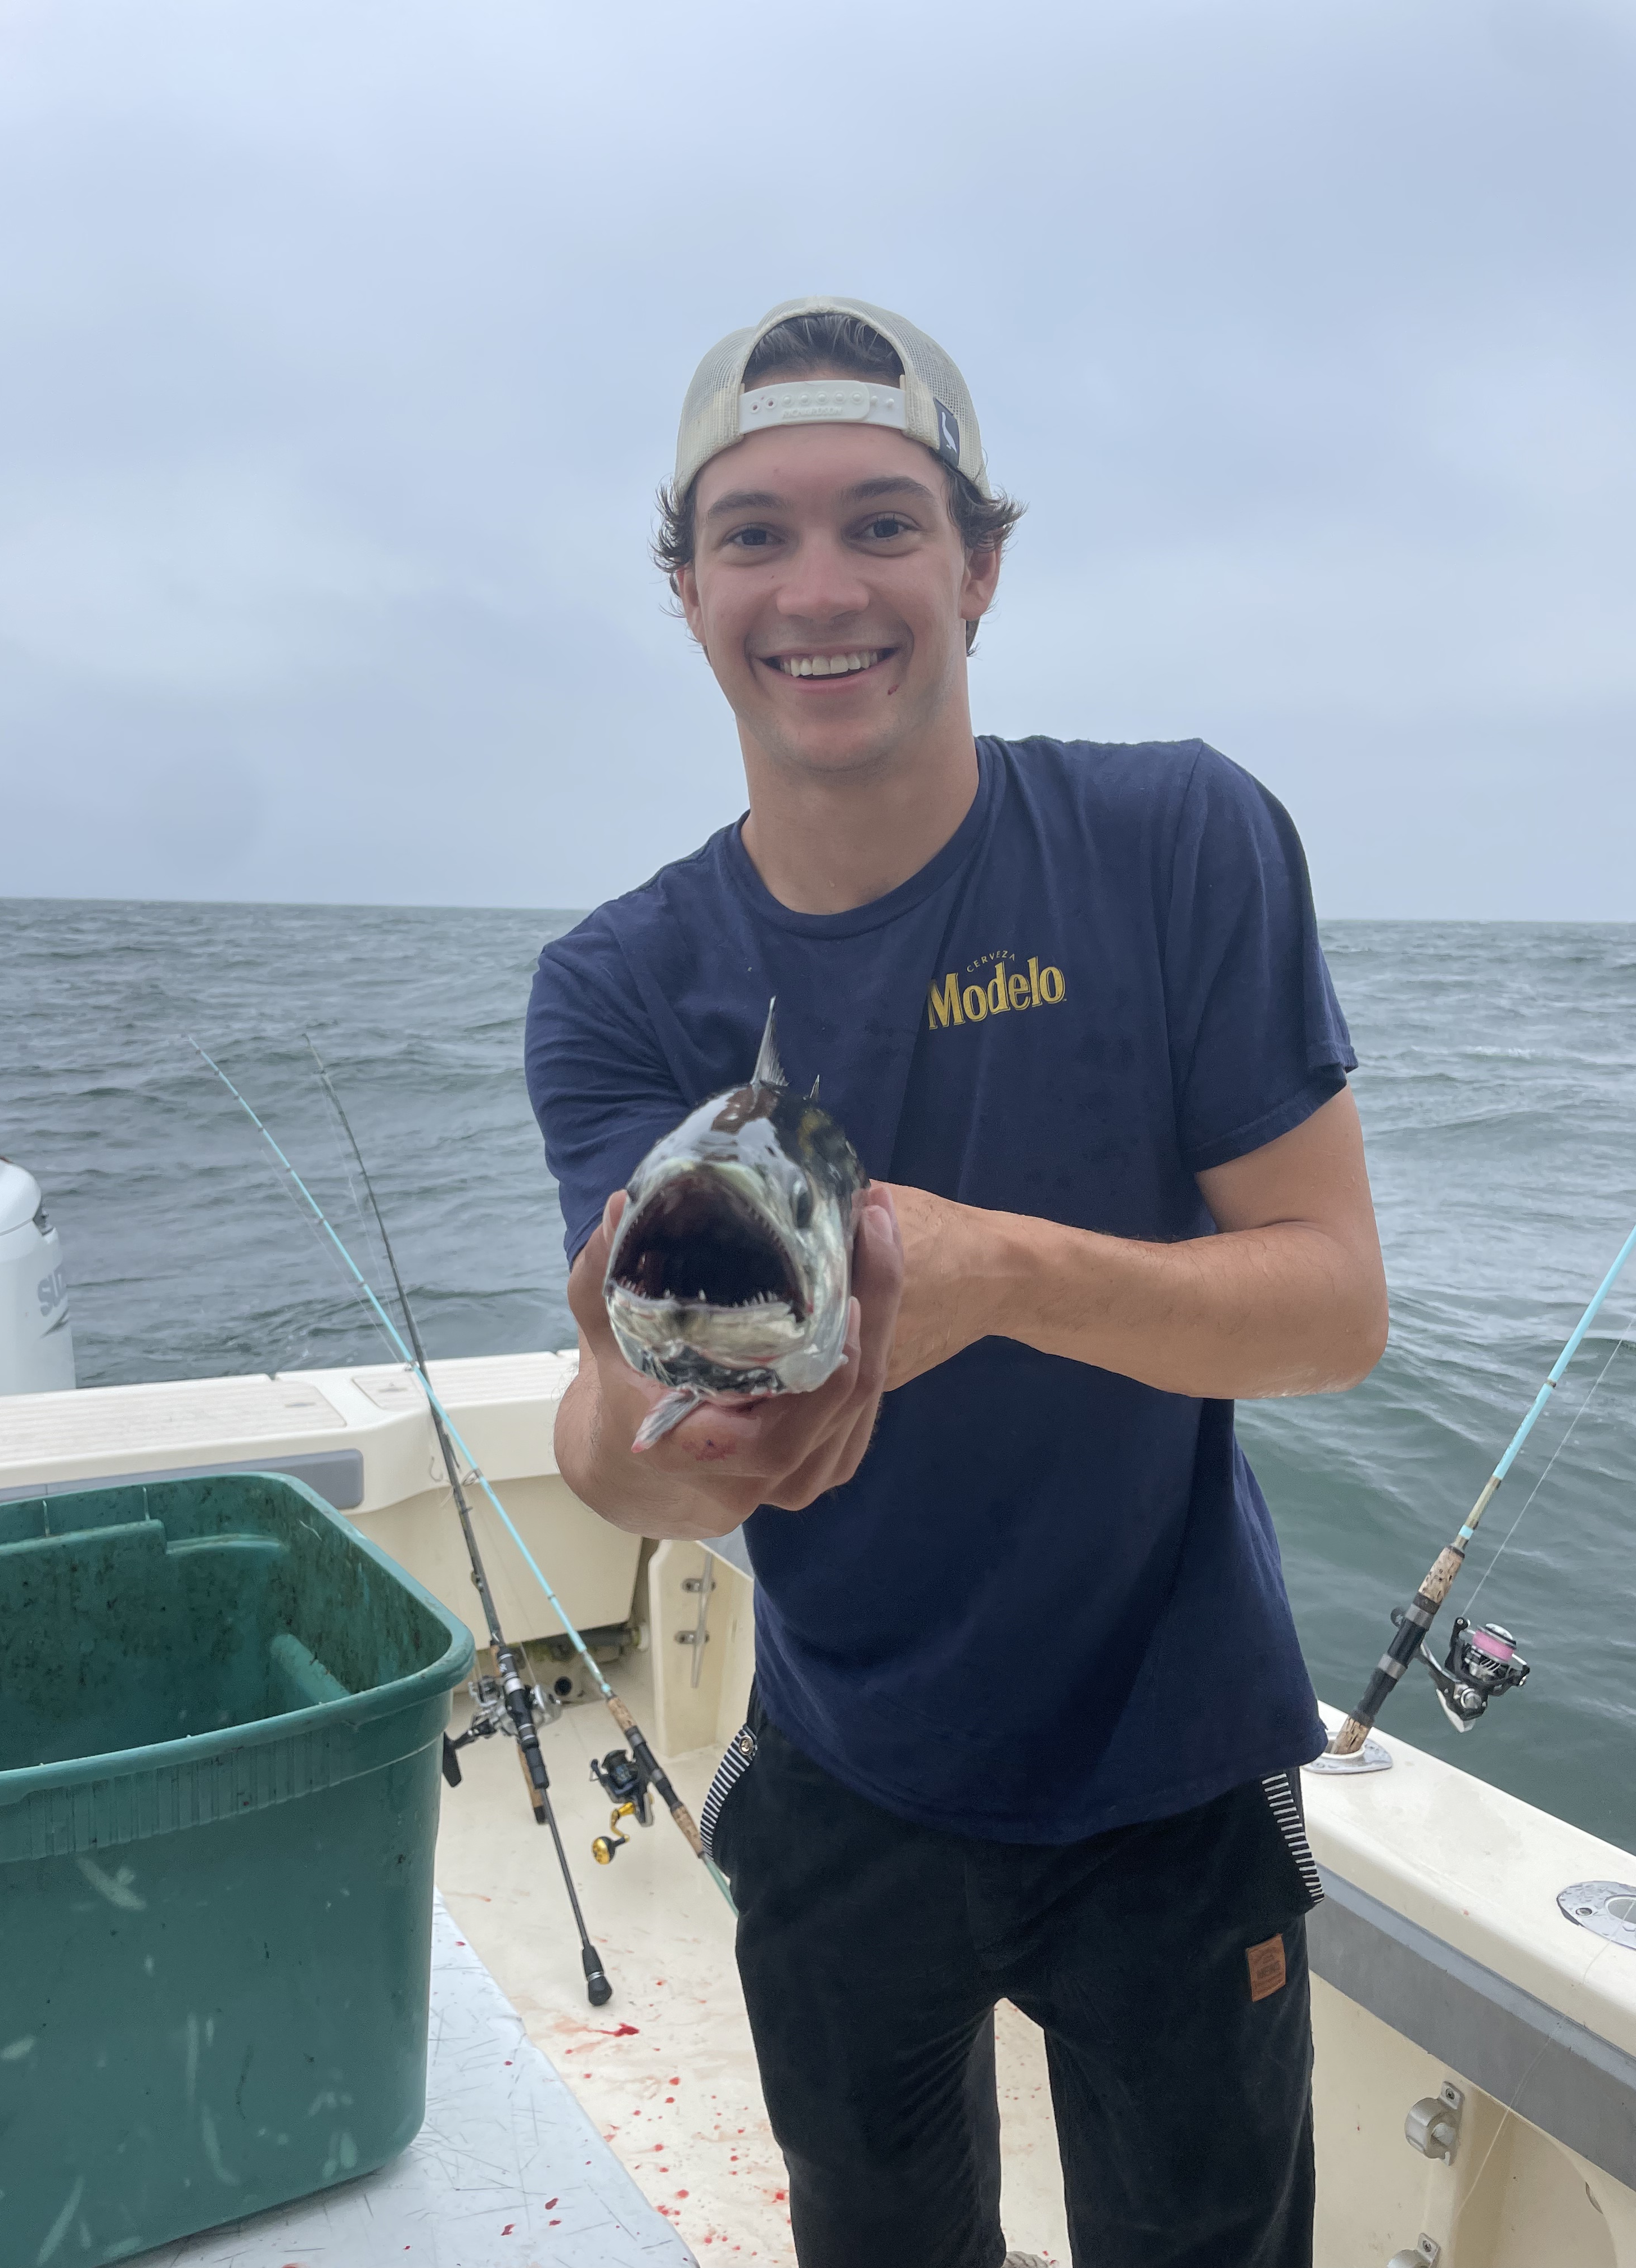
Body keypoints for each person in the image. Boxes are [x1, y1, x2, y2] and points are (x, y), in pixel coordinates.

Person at [524, 296, 1387, 2268]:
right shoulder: (613, 985)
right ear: (688, 593)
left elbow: (1336, 1309)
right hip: (845, 1768)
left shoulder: (1178, 838)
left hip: (1177, 1766)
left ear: (980, 567)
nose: (820, 588)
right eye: (754, 534)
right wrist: (656, 1445)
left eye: (884, 524)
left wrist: (984, 1272)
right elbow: (623, 1440)